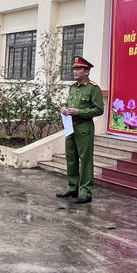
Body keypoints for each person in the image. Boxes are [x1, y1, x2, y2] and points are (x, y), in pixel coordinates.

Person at [58, 56, 105, 204]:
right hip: (70, 126)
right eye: (74, 69)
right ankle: (73, 187)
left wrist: (79, 112)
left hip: (84, 127)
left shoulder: (93, 88)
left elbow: (99, 110)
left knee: (85, 159)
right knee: (71, 157)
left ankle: (86, 191)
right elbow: (68, 102)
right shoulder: (73, 88)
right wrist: (64, 108)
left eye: (78, 69)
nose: (75, 71)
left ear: (87, 71)